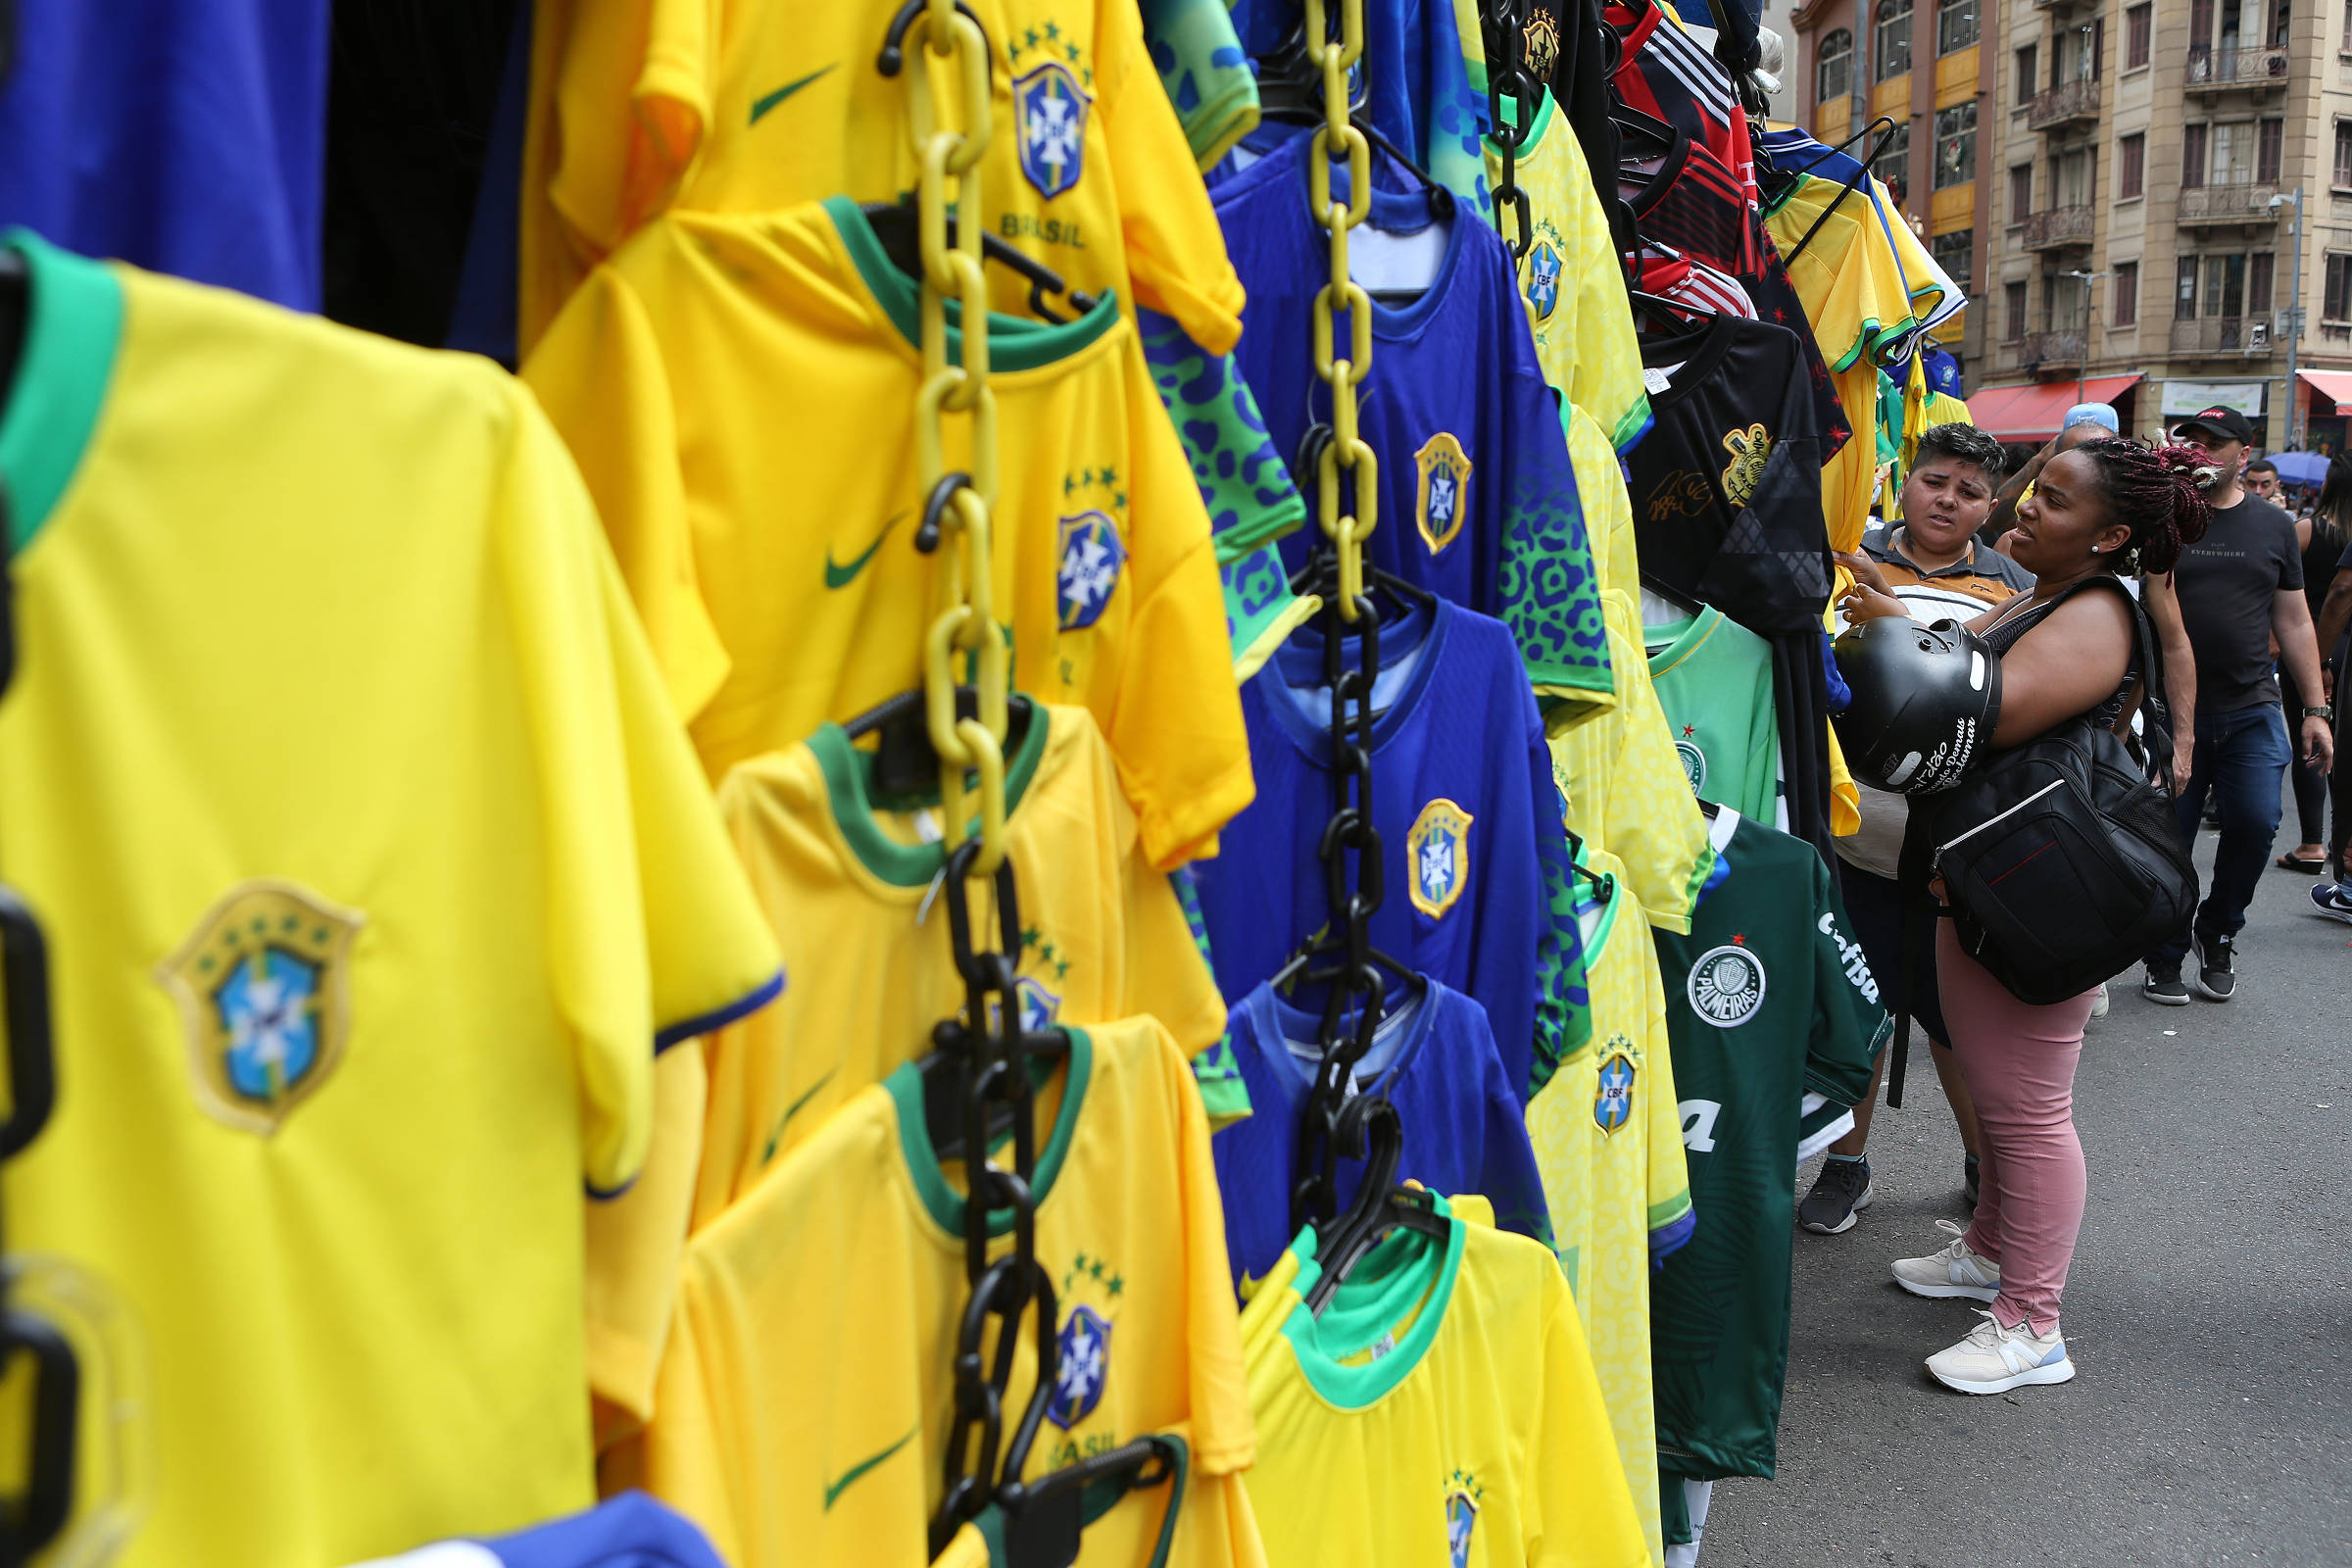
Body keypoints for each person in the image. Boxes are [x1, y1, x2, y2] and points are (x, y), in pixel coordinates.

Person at [1840, 438, 2212, 1395]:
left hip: (2042, 892)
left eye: (2054, 500)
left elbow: (1983, 716)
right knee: (2006, 1107)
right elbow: (1960, 675)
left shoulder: (2098, 610)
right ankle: (1990, 1248)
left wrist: (1895, 641)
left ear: (2115, 535)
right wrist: (1896, 621)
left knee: (2029, 1111)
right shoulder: (2043, 592)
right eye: (2035, 490)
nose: (2025, 508)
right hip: (1985, 881)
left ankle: (2032, 1322)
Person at [1803, 422, 2025, 1236]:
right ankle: (1845, 1165)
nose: (1949, 500)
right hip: (1853, 841)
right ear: (1907, 481)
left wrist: (1897, 622)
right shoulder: (1839, 555)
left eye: (1970, 492)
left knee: (1957, 1027)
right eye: (1937, 481)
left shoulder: (2017, 585)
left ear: (1990, 505)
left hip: (1956, 855)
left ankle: (1983, 1167)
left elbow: (1987, 696)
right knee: (1855, 1012)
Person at [2140, 406, 2336, 1004]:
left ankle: (2218, 930)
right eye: (2190, 439)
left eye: (2214, 442)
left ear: (2242, 456)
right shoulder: (2163, 518)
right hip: (2173, 711)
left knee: (2255, 823)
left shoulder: (2274, 526)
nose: (2200, 449)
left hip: (2253, 706)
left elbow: (2296, 620)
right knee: (2168, 839)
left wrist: (2315, 709)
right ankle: (2166, 950)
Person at [2278, 456, 2350, 872]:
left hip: (2312, 644)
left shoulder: (2307, 530)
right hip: (2344, 646)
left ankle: (2312, 842)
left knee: (2309, 734)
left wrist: (2317, 657)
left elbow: (2281, 587)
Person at [1981, 405, 2120, 558]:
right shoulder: (2044, 485)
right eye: (2074, 451)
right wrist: (2039, 461)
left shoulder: (2127, 497)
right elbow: (1991, 520)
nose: (2026, 509)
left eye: (2096, 452)